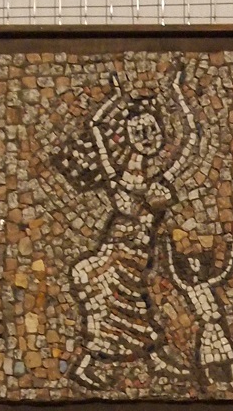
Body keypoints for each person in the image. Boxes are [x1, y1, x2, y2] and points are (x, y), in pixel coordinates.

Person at [60, 65, 199, 390]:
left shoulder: (159, 179)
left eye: (152, 129)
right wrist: (116, 96)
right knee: (113, 313)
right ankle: (92, 365)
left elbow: (191, 140)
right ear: (129, 137)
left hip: (134, 263)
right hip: (112, 262)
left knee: (133, 313)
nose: (147, 136)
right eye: (139, 132)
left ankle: (154, 360)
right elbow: (96, 127)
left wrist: (177, 94)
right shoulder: (119, 179)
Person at [165, 236, 233, 390]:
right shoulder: (189, 289)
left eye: (196, 264)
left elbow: (226, 271)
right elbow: (174, 275)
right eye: (191, 265)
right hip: (206, 325)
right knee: (206, 349)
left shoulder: (208, 283)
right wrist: (168, 249)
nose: (194, 268)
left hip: (215, 322)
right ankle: (208, 379)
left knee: (224, 346)